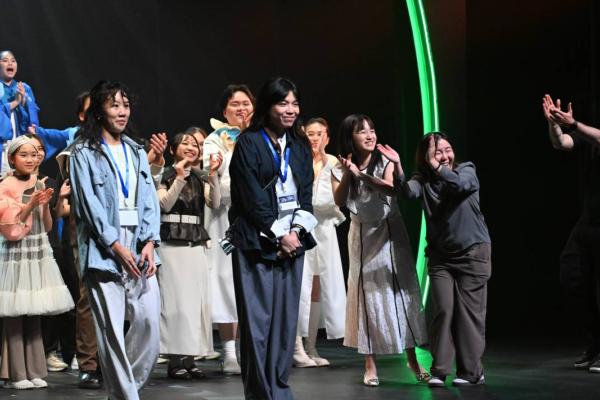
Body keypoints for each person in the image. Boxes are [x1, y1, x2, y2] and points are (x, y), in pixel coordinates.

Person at [69, 80, 161, 400]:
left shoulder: (136, 151)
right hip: (104, 247)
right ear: (99, 111)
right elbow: (88, 205)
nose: (122, 112)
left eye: (125, 105)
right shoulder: (83, 152)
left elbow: (149, 199)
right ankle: (126, 396)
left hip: (139, 243)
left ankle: (122, 390)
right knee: (111, 333)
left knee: (150, 323)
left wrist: (149, 242)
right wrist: (115, 246)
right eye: (114, 105)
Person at [228, 77, 317, 400]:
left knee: (284, 323)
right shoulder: (249, 143)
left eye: (294, 103)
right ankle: (260, 393)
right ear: (268, 106)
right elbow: (250, 197)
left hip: (294, 241)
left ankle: (279, 389)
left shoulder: (299, 146)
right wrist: (279, 234)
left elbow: (305, 194)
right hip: (257, 242)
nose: (290, 110)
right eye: (283, 103)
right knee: (258, 325)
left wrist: (296, 233)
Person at [382, 132, 491, 387]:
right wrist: (398, 166)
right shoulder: (423, 180)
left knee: (469, 314)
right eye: (437, 152)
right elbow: (406, 192)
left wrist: (436, 165)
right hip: (441, 257)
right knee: (443, 310)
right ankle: (440, 371)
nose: (444, 156)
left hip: (473, 253)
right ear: (425, 157)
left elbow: (460, 186)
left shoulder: (466, 170)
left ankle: (472, 372)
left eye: (447, 150)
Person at [332, 114, 428, 387]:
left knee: (399, 292)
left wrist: (361, 174)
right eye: (362, 132)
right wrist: (349, 174)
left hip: (389, 231)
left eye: (372, 130)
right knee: (366, 296)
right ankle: (370, 363)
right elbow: (339, 200)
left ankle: (412, 359)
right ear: (350, 137)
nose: (370, 135)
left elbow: (390, 189)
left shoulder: (384, 159)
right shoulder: (339, 166)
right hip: (361, 235)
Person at [0, 136, 74, 390]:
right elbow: (9, 227)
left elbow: (48, 225)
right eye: (24, 155)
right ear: (12, 159)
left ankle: (34, 369)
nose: (30, 159)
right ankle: (15, 373)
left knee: (34, 310)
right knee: (15, 312)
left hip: (36, 250)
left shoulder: (40, 182)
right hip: (15, 254)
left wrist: (44, 207)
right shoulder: (5, 185)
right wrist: (30, 204)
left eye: (34, 155)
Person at [542, 94, 600, 373]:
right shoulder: (588, 136)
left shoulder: (592, 133)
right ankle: (595, 343)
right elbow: (561, 143)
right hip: (589, 221)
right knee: (572, 277)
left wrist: (574, 124)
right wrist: (554, 124)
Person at [156, 132, 221, 379]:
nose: (191, 147)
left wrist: (213, 175)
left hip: (195, 243)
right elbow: (164, 205)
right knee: (175, 304)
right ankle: (175, 361)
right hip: (171, 245)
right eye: (185, 143)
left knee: (195, 303)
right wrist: (179, 179)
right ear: (173, 149)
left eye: (195, 145)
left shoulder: (200, 176)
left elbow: (214, 203)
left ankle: (191, 358)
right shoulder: (164, 175)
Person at [203, 84, 254, 374]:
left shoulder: (262, 136)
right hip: (225, 220)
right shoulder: (215, 139)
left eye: (246, 103)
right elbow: (219, 186)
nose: (241, 109)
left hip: (257, 219)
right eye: (235, 104)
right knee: (225, 281)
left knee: (253, 281)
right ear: (224, 111)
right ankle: (230, 352)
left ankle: (253, 348)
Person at [293, 118, 346, 368]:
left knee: (317, 288)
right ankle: (296, 347)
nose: (314, 138)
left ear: (327, 137)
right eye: (310, 134)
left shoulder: (333, 162)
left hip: (324, 230)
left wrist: (325, 162)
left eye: (319, 134)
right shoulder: (298, 160)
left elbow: (336, 201)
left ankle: (311, 345)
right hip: (302, 228)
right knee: (300, 286)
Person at [0, 50, 40, 176]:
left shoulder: (24, 88)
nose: (10, 63)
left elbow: (33, 114)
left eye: (13, 61)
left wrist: (23, 101)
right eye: (5, 60)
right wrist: (15, 102)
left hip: (20, 141)